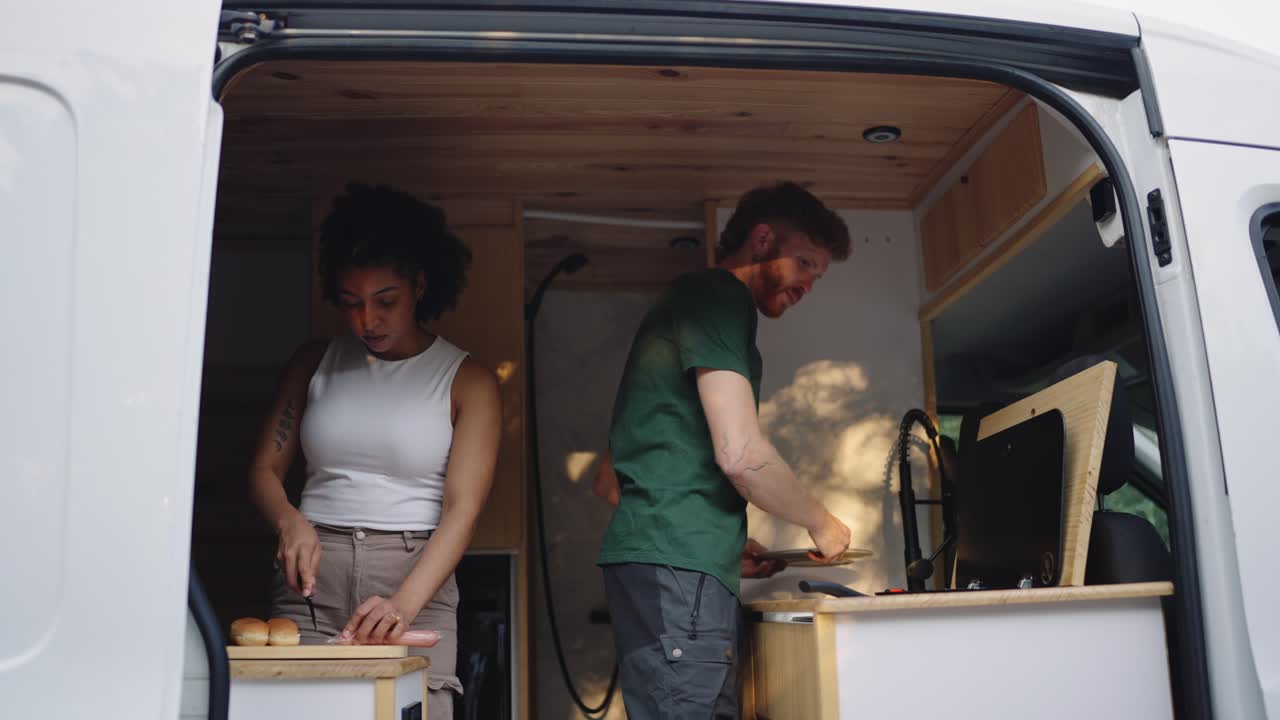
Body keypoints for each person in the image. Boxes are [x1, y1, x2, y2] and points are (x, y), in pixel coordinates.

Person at [592, 181, 854, 719]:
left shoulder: (681, 307)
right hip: (678, 575)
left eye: (817, 275)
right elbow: (741, 455)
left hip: (656, 565)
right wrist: (822, 523)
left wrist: (719, 540)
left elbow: (613, 482)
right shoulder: (718, 297)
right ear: (762, 239)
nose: (808, 284)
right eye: (804, 263)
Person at [248, 182, 500, 716]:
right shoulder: (312, 362)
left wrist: (403, 606)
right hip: (311, 585)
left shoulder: (468, 380)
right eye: (351, 304)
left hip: (415, 579)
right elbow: (265, 470)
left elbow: (464, 510)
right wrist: (288, 520)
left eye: (385, 301)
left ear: (421, 286)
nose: (368, 320)